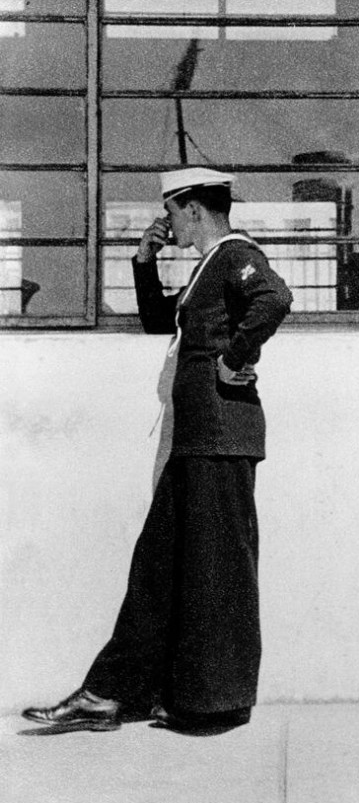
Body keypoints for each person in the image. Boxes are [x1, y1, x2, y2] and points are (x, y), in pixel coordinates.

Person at [23, 167, 292, 734]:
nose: (166, 222)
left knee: (218, 570)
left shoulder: (235, 255)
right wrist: (144, 261)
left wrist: (236, 359)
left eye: (170, 212)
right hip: (197, 442)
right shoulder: (207, 267)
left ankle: (213, 704)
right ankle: (113, 694)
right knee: (158, 567)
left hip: (220, 439)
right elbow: (155, 320)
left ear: (192, 208)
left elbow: (274, 298)